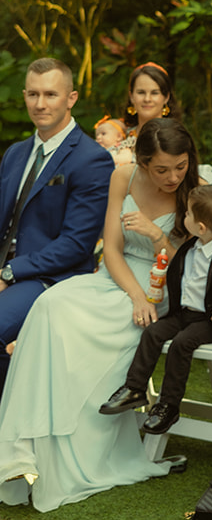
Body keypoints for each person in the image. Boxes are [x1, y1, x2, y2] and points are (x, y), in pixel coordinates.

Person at [0, 118, 198, 511]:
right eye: (161, 169)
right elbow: (111, 249)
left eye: (180, 166)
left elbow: (194, 271)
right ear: (142, 163)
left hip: (162, 286)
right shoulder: (122, 176)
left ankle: (76, 455)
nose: (173, 176)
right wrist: (134, 295)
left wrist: (159, 238)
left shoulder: (197, 194)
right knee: (52, 305)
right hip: (116, 277)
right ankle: (24, 454)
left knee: (81, 328)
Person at [101, 182, 212, 436]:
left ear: (201, 226)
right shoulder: (191, 246)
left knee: (182, 343)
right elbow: (181, 274)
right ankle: (134, 389)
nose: (182, 216)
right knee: (153, 332)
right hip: (185, 313)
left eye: (187, 214)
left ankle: (168, 406)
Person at [0, 57, 112, 391]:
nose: (40, 103)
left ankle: (8, 423)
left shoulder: (91, 159)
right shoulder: (16, 153)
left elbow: (76, 245)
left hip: (51, 276)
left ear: (71, 98)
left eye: (50, 94)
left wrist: (9, 273)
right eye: (33, 94)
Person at [111, 62, 177, 163]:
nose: (147, 99)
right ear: (131, 96)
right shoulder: (118, 137)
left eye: (154, 93)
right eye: (141, 92)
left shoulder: (177, 138)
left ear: (166, 97)